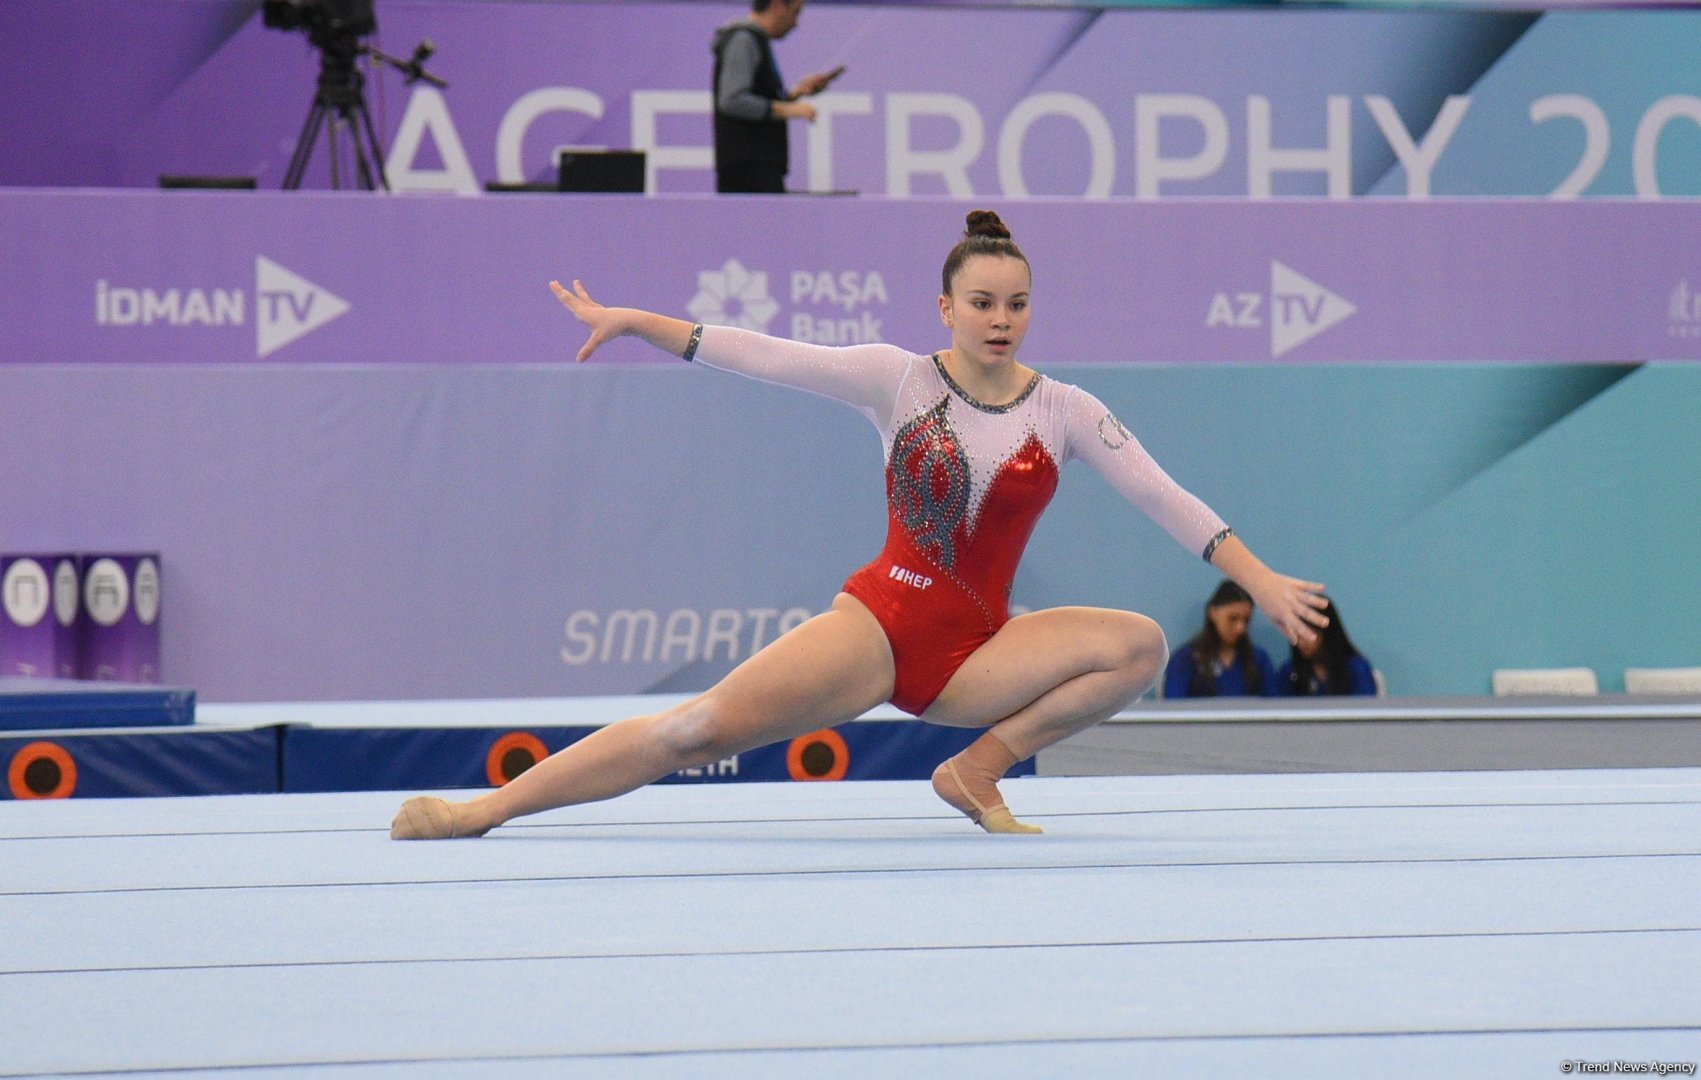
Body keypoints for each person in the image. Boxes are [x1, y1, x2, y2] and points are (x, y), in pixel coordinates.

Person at [391, 210, 1328, 841]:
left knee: (1137, 647)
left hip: (977, 651)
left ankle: (975, 771)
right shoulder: (900, 378)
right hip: (880, 627)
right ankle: (480, 813)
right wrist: (637, 321)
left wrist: (1261, 580)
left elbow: (1166, 496)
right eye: (981, 304)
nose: (1000, 321)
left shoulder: (1066, 411)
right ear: (946, 309)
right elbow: (765, 356)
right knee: (696, 729)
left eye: (1016, 304)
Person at [711, 0, 842, 193]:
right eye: (795, 13)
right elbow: (732, 100)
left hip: (758, 168)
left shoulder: (754, 40)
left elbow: (756, 97)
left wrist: (794, 94)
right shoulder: (743, 40)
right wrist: (788, 109)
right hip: (747, 172)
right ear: (777, 6)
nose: (796, 23)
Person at [1162, 580, 1278, 698]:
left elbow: (1273, 707)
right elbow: (1174, 709)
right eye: (1233, 618)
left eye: (1246, 620)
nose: (1240, 628)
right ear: (1213, 612)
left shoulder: (1259, 659)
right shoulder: (1185, 659)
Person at [1277, 597, 1376, 696]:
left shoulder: (1357, 668)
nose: (1300, 642)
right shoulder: (1289, 671)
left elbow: (1364, 708)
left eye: (1308, 633)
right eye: (1297, 634)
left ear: (1328, 632)